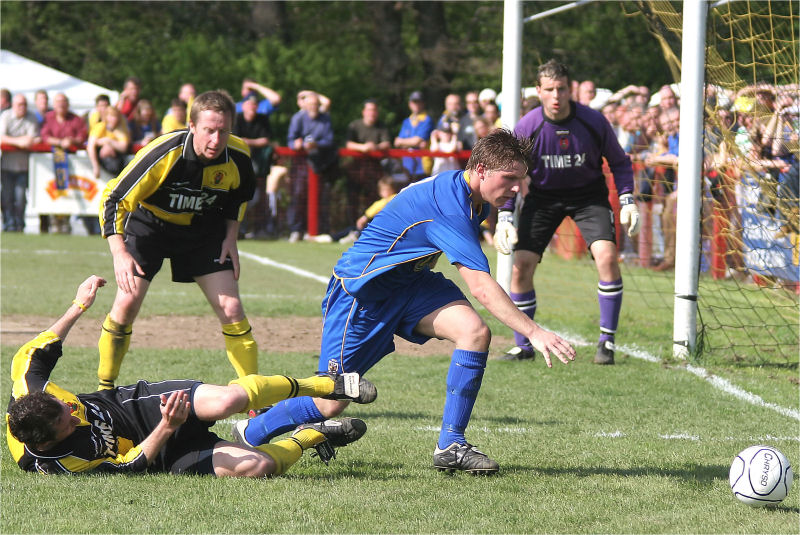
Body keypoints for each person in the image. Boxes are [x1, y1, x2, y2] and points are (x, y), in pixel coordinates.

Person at [234, 129, 576, 475]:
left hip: (410, 284)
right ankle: (249, 432)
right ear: (482, 169)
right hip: (362, 293)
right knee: (329, 402)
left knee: (474, 332)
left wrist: (502, 215)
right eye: (510, 179)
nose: (517, 188)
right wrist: (533, 331)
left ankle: (451, 445)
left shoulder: (475, 195)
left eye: (521, 179)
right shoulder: (450, 209)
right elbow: (481, 288)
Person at [6, 275, 376, 476]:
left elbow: (41, 346)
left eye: (64, 406)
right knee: (257, 466)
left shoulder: (29, 385)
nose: (73, 412)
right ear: (48, 441)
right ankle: (311, 437)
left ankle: (328, 385)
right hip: (158, 450)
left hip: (136, 409)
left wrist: (79, 305)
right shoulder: (59, 464)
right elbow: (131, 466)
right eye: (65, 422)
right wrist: (168, 428)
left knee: (228, 400)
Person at [96, 90, 258, 390]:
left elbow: (238, 198)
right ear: (192, 126)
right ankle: (106, 388)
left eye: (223, 131)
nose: (215, 139)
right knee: (127, 303)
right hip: (150, 228)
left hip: (202, 231)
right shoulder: (164, 152)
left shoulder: (238, 156)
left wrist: (231, 238)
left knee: (232, 308)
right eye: (209, 130)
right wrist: (119, 252)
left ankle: (254, 395)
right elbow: (113, 197)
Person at [493, 59, 639, 365]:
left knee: (608, 257)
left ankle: (607, 343)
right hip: (543, 198)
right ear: (538, 91)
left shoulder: (593, 121)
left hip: (589, 198)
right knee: (520, 266)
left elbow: (620, 161)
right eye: (549, 90)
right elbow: (508, 170)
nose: (556, 96)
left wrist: (627, 198)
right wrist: (505, 215)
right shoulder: (528, 126)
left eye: (561, 89)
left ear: (570, 89)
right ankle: (524, 345)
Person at [286, 91, 337, 241]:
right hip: (301, 164)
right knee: (298, 194)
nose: (313, 107)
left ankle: (318, 229)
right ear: (305, 106)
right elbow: (290, 139)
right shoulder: (298, 118)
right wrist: (297, 144)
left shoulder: (325, 119)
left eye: (316, 104)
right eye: (311, 104)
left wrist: (316, 144)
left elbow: (329, 140)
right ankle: (296, 229)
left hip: (322, 164)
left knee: (321, 197)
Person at [40, 92, 89, 234]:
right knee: (51, 192)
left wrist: (71, 141)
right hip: (49, 165)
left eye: (63, 101)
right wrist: (61, 142)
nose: (61, 104)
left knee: (70, 193)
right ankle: (52, 221)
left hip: (72, 165)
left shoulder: (76, 119)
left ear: (68, 104)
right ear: (54, 105)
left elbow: (82, 135)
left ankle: (66, 221)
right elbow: (44, 136)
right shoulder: (48, 118)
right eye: (58, 102)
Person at [344, 99, 392, 223]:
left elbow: (387, 143)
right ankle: (352, 228)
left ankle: (371, 227)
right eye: (370, 110)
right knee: (352, 199)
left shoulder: (381, 126)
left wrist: (375, 147)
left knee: (373, 199)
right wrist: (363, 148)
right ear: (364, 112)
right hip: (356, 170)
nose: (372, 113)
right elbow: (348, 144)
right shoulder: (355, 125)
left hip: (373, 170)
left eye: (374, 110)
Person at [233, 94, 274, 238]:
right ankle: (237, 229)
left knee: (255, 198)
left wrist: (247, 142)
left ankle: (255, 229)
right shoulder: (236, 118)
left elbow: (265, 140)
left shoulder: (262, 119)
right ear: (243, 106)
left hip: (257, 168)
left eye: (255, 105)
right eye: (249, 104)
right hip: (236, 165)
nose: (252, 107)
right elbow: (234, 139)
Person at [0, 93, 40, 232]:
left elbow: (32, 139)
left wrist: (21, 141)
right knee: (7, 197)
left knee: (21, 197)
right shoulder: (5, 116)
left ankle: (19, 224)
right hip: (6, 165)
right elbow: (2, 137)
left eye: (24, 104)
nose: (22, 107)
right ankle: (8, 223)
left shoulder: (31, 117)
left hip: (24, 166)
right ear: (13, 105)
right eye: (19, 105)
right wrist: (18, 142)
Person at [394, 91, 434, 181]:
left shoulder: (427, 120)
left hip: (422, 166)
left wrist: (404, 142)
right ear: (410, 104)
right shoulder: (407, 121)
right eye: (414, 102)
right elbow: (397, 143)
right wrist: (413, 142)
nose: (416, 105)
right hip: (407, 165)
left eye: (419, 102)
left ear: (423, 103)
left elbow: (416, 141)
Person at [87, 106, 131, 180]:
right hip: (104, 160)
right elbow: (90, 146)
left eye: (115, 116)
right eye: (111, 116)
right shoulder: (100, 126)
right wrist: (96, 166)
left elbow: (123, 147)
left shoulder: (121, 129)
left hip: (119, 158)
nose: (114, 119)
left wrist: (108, 141)